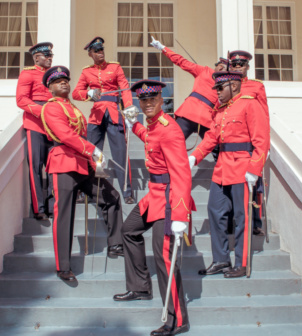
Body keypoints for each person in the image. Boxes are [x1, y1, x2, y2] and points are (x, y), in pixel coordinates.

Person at [113, 80, 194, 336]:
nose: (147, 104)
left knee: (164, 257)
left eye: (152, 100)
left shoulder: (170, 129)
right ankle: (140, 287)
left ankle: (177, 319)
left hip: (171, 198)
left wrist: (180, 215)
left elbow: (181, 174)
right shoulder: (153, 125)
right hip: (154, 194)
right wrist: (132, 124)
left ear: (162, 101)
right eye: (143, 100)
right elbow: (149, 137)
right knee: (129, 230)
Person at [40, 66, 124, 282]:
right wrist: (92, 150)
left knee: (111, 197)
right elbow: (65, 135)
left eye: (66, 80)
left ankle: (115, 244)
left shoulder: (74, 108)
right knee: (64, 215)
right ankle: (63, 266)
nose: (64, 83)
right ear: (50, 87)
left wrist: (93, 158)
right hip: (63, 162)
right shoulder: (51, 108)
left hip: (82, 164)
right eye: (58, 81)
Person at [190, 71, 270, 278]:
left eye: (220, 88)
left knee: (242, 217)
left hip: (242, 168)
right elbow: (210, 138)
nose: (216, 92)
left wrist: (254, 170)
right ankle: (220, 260)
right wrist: (195, 157)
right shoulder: (220, 111)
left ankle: (241, 263)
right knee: (215, 211)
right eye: (216, 88)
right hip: (222, 169)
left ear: (234, 86)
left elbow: (262, 141)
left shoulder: (250, 104)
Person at [72, 37, 135, 204]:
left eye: (101, 50)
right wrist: (89, 94)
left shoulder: (115, 67)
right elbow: (75, 93)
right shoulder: (86, 72)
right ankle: (87, 190)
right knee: (91, 153)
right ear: (90, 54)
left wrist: (128, 108)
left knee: (120, 153)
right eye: (96, 51)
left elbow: (126, 88)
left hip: (114, 112)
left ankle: (127, 191)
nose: (100, 53)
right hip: (97, 114)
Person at [150, 37, 227, 141]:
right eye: (220, 65)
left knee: (217, 148)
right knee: (172, 142)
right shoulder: (204, 71)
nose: (221, 68)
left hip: (207, 118)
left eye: (225, 68)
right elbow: (181, 62)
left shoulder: (229, 84)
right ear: (216, 66)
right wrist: (163, 48)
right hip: (189, 113)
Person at [228, 50, 270, 235]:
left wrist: (264, 144)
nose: (238, 67)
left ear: (248, 67)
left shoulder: (256, 86)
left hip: (251, 143)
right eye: (235, 64)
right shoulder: (226, 85)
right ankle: (230, 222)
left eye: (241, 64)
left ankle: (256, 222)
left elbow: (264, 116)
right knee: (229, 184)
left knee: (254, 183)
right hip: (231, 142)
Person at [16, 42, 55, 220]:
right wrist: (42, 111)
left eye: (51, 55)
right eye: (46, 55)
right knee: (36, 166)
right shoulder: (27, 73)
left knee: (54, 165)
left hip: (53, 123)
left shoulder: (54, 75)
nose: (49, 58)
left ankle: (53, 205)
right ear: (36, 57)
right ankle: (39, 208)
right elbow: (22, 100)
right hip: (35, 122)